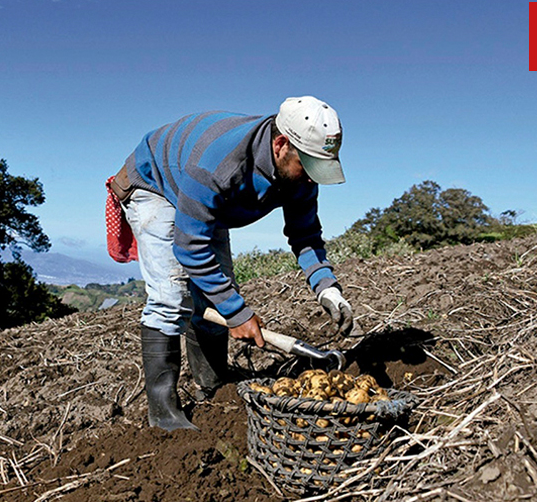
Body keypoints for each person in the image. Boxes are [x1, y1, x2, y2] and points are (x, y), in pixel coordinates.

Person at [107, 96, 355, 431]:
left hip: (210, 200)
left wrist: (327, 288)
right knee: (172, 297)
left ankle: (212, 384)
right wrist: (236, 313)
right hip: (158, 184)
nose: (313, 179)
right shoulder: (218, 164)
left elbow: (305, 234)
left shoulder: (300, 174)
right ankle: (163, 415)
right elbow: (190, 247)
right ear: (281, 145)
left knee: (218, 292)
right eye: (309, 167)